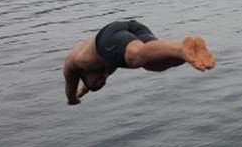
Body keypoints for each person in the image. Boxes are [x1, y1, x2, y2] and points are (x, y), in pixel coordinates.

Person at [63, 20, 215, 105]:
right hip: (133, 28)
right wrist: (87, 89)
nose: (102, 79)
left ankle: (180, 49)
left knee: (134, 56)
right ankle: (190, 55)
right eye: (103, 82)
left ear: (83, 75)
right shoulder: (102, 68)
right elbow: (88, 86)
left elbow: (70, 89)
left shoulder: (75, 64)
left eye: (97, 81)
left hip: (108, 36)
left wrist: (73, 99)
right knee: (153, 64)